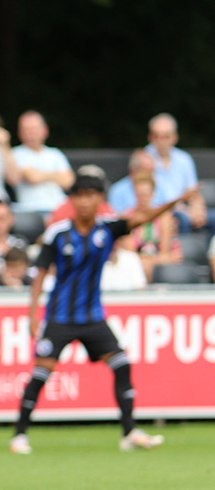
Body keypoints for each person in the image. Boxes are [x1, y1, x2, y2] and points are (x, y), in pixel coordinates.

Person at [10, 173, 196, 455]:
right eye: (80, 195)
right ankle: (19, 436)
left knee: (121, 364)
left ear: (100, 200)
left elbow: (143, 217)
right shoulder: (58, 233)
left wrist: (175, 201)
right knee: (41, 373)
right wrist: (33, 313)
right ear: (72, 199)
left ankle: (129, 432)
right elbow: (39, 274)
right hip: (60, 317)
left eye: (91, 195)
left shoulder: (108, 229)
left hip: (93, 317)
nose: (85, 201)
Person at [144, 113, 207, 231]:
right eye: (157, 136)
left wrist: (198, 210)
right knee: (180, 220)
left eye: (166, 136)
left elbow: (193, 192)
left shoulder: (184, 159)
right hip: (159, 212)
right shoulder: (144, 159)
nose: (161, 141)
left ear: (174, 137)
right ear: (150, 137)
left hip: (183, 209)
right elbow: (147, 199)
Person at [9, 111, 74, 214]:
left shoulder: (55, 153)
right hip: (32, 211)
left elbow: (69, 181)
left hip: (61, 208)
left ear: (45, 130)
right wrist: (56, 175)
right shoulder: (15, 153)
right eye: (26, 129)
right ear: (19, 133)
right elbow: (32, 177)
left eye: (34, 129)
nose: (31, 133)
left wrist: (40, 174)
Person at [124, 172, 182, 282]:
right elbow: (130, 254)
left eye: (146, 194)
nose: (142, 198)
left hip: (160, 264)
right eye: (139, 194)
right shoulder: (128, 218)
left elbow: (166, 252)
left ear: (153, 194)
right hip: (137, 266)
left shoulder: (164, 217)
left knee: (148, 268)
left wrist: (151, 262)